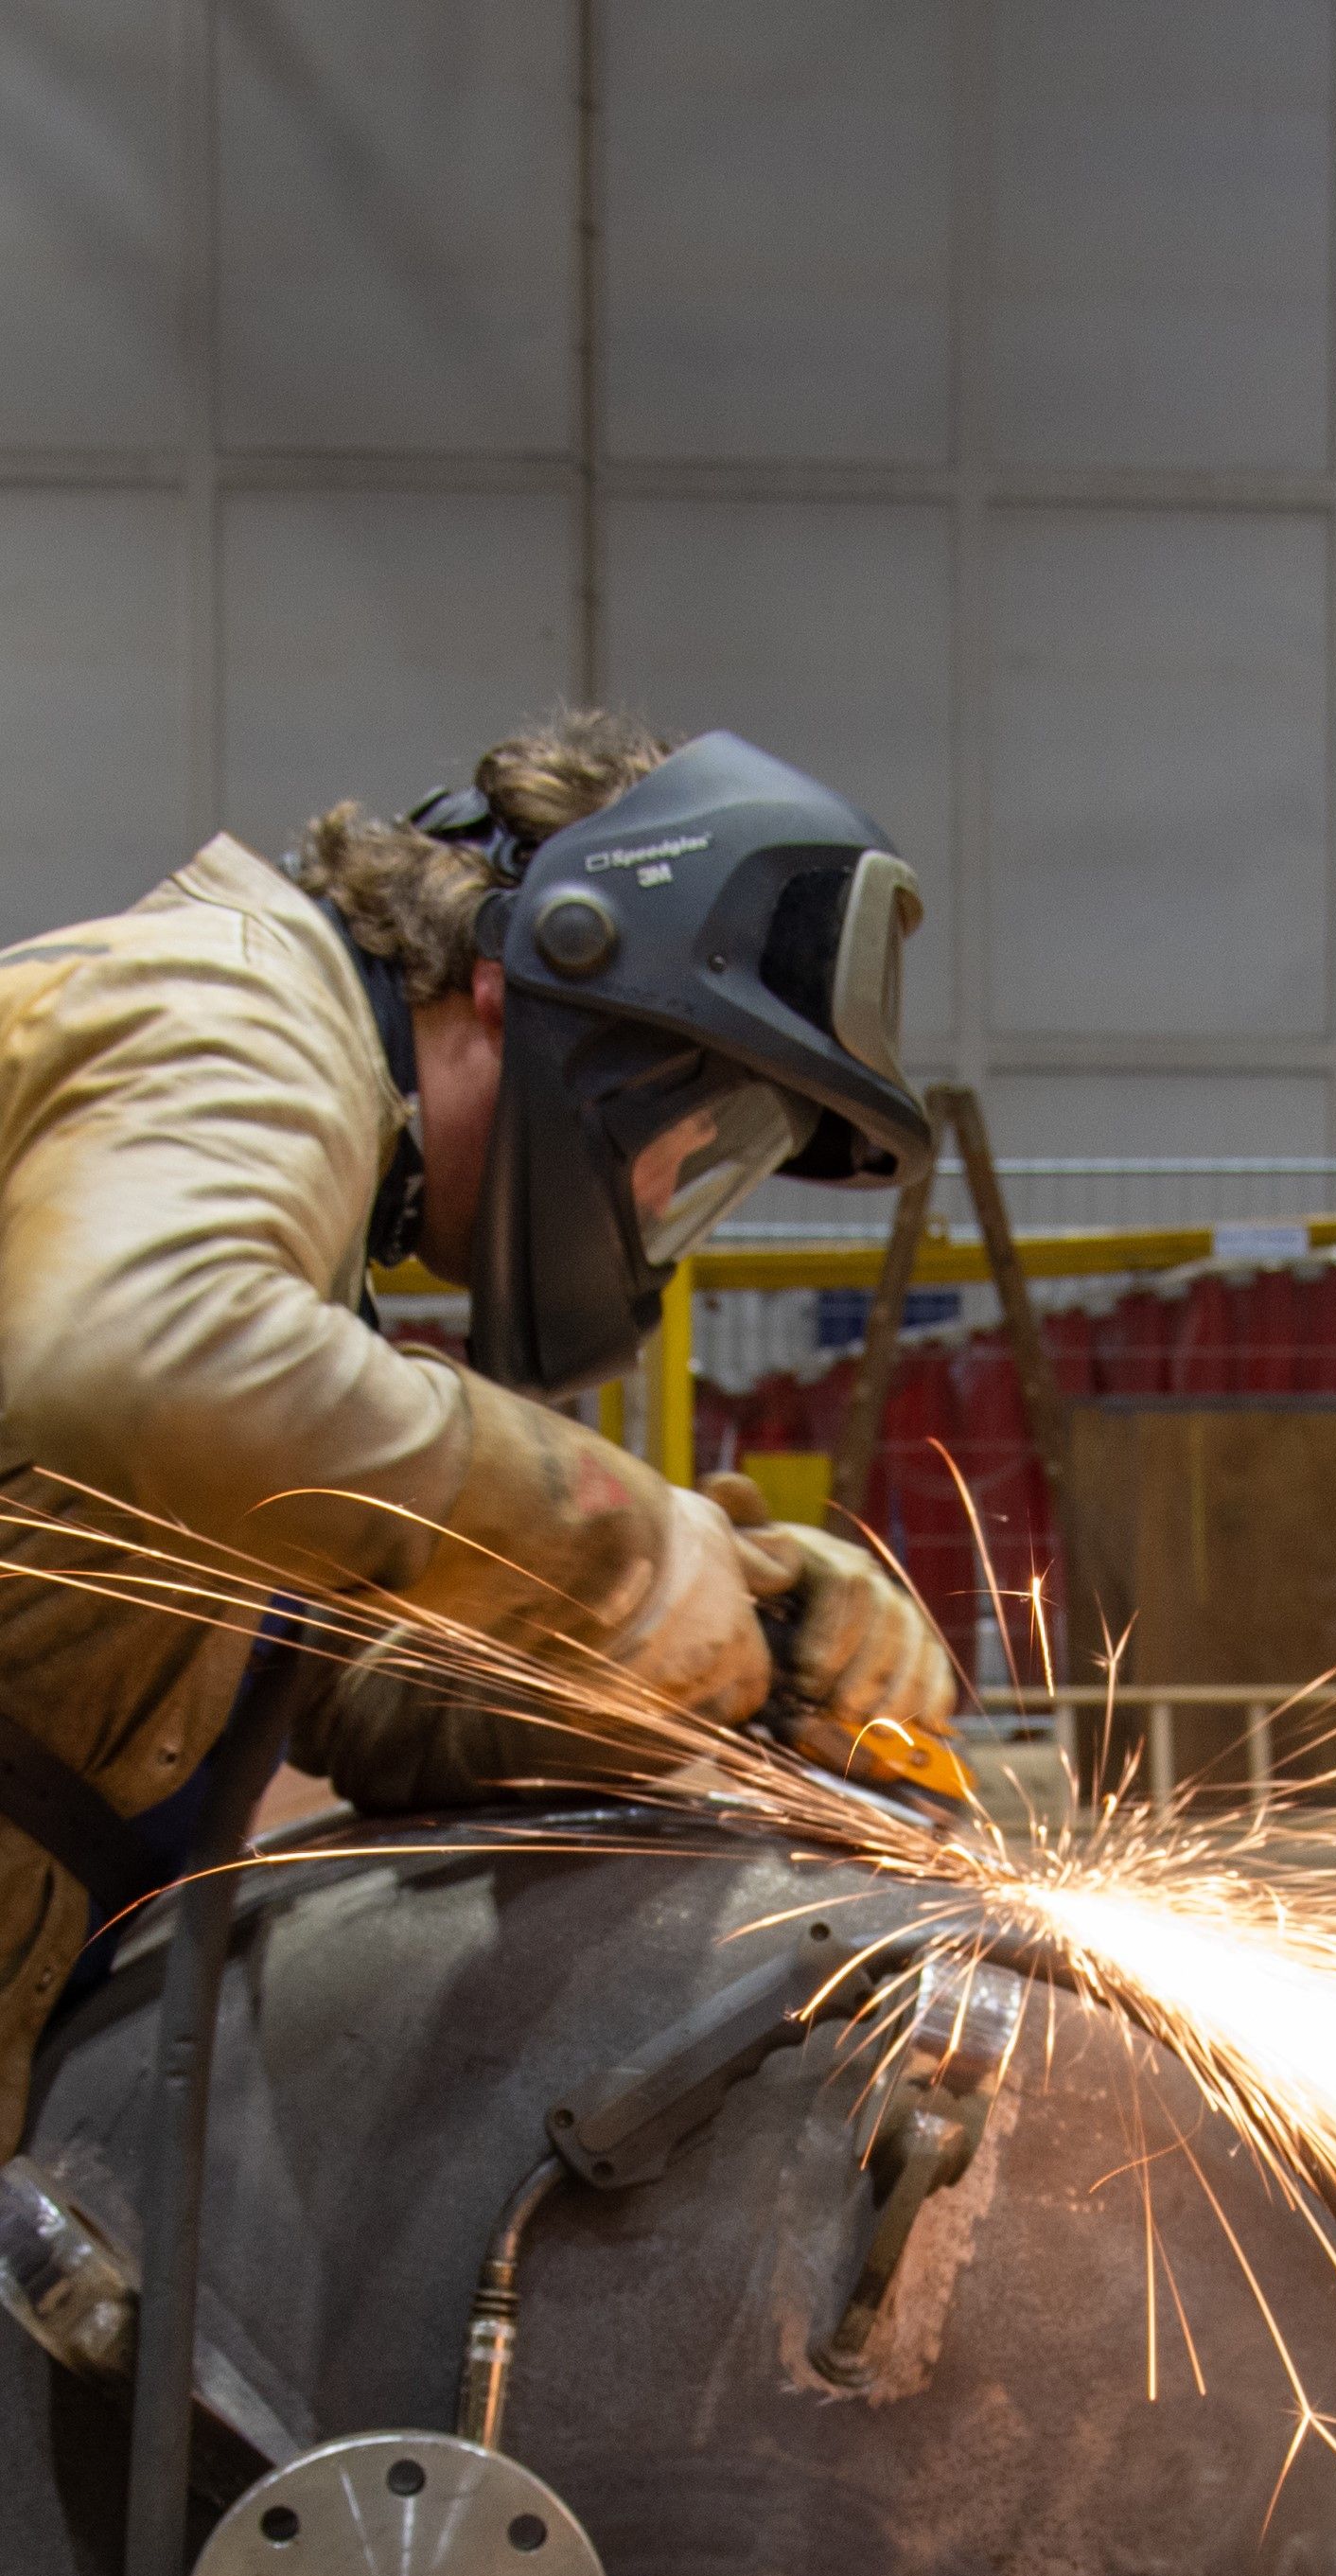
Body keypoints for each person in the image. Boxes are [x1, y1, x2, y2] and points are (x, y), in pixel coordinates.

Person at [0, 710, 957, 2147]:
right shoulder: (225, 1012)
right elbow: (141, 1360)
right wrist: (619, 1548)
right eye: (683, 1131)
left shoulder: (308, 1236)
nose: (661, 1193)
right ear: (524, 985)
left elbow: (353, 1695)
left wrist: (714, 1665)